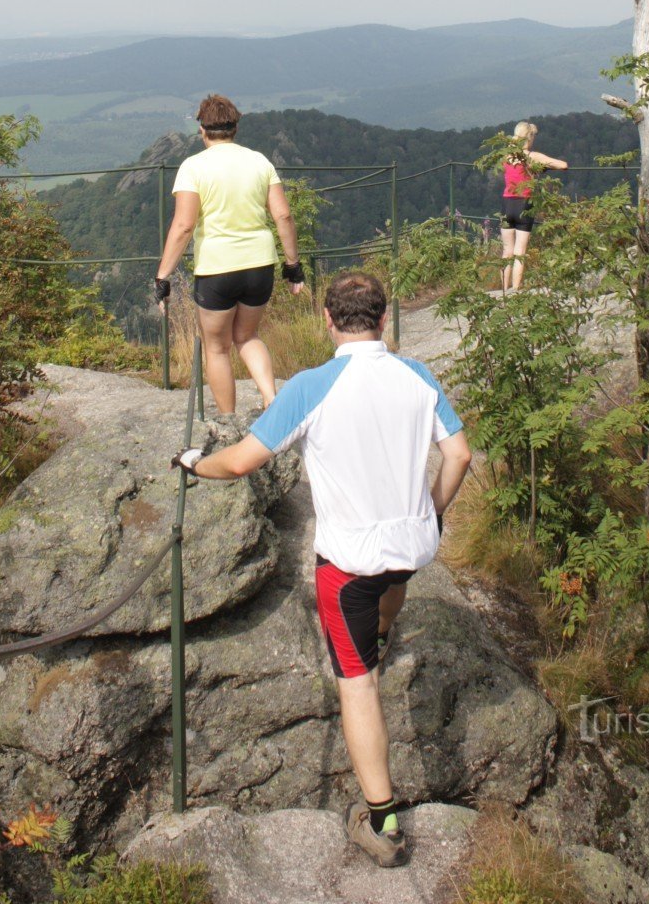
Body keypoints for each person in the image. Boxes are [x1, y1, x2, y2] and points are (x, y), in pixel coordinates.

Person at [172, 271, 472, 868]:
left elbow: (241, 462)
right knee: (392, 586)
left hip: (350, 561)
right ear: (383, 319)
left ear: (328, 322)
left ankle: (382, 820)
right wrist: (431, 513)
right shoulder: (418, 375)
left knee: (356, 683)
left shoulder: (313, 386)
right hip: (409, 547)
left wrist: (193, 463)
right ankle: (384, 633)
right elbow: (459, 453)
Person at [154, 94, 303, 413]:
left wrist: (163, 276)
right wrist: (293, 265)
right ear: (235, 128)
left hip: (216, 269)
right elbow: (283, 216)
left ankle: (228, 421)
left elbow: (183, 226)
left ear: (202, 130)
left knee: (217, 349)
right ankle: (271, 400)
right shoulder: (259, 161)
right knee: (248, 337)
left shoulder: (193, 167)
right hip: (259, 266)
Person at [498, 120, 567, 294]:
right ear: (529, 137)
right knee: (519, 251)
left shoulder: (506, 156)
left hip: (506, 204)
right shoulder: (531, 156)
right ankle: (516, 291)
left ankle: (504, 291)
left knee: (507, 251)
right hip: (524, 204)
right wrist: (542, 168)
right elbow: (562, 165)